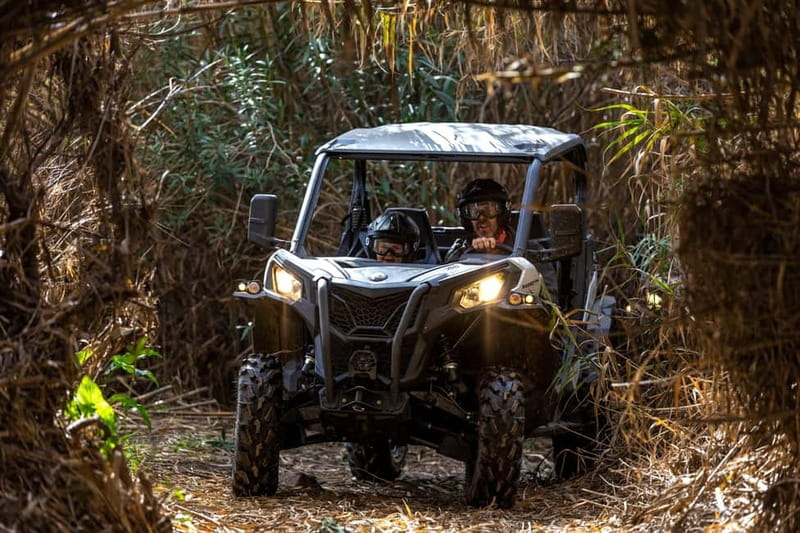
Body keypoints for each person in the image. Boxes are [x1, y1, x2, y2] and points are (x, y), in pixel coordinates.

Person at [445, 178, 513, 261]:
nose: (481, 218)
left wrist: (498, 253)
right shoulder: (460, 248)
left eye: (489, 211)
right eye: (473, 212)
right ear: (467, 220)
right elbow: (450, 266)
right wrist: (473, 254)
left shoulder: (520, 245)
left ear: (502, 214)